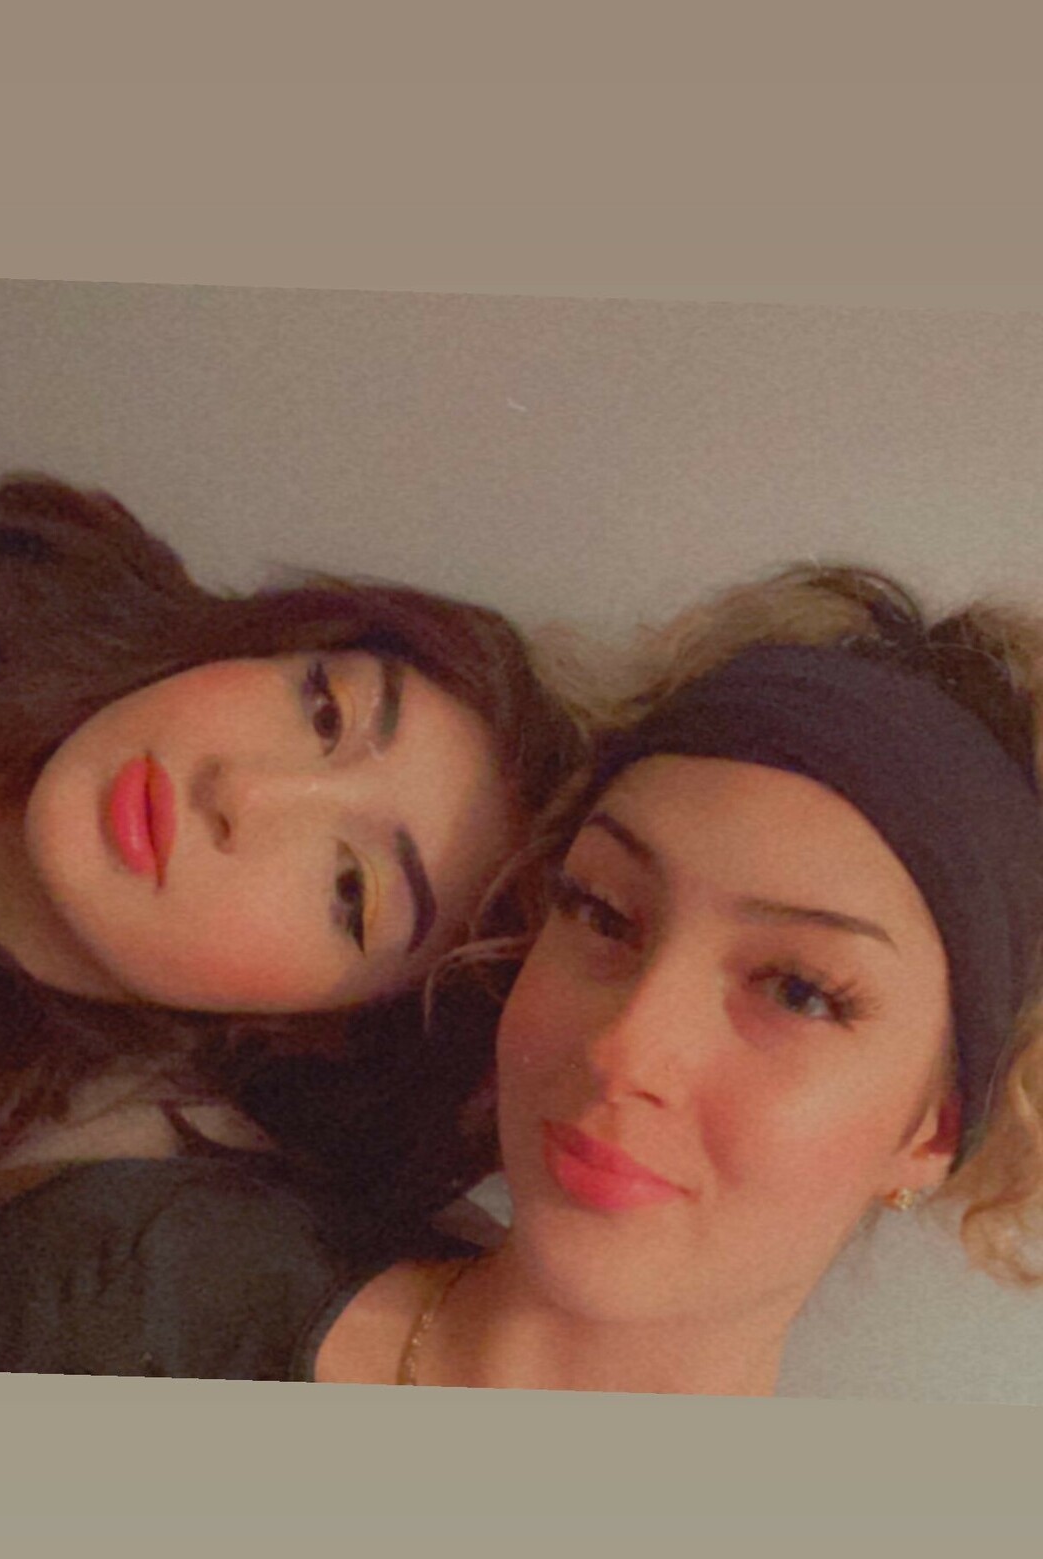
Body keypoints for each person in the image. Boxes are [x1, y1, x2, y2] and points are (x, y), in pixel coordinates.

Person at [308, 564, 1043, 1396]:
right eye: (603, 913)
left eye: (797, 991)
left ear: (934, 1132)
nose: (624, 1050)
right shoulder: (192, 1265)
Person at [0, 475, 582, 1377]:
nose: (245, 793)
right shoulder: (8, 588)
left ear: (319, 1028)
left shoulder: (80, 1211)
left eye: (349, 890)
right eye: (326, 711)